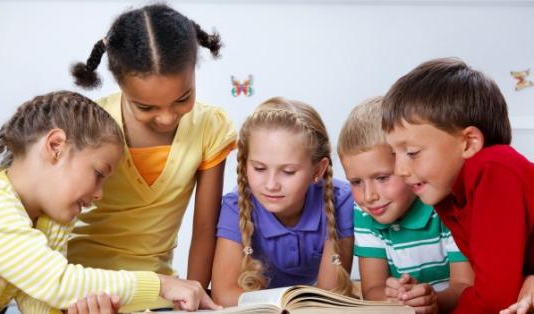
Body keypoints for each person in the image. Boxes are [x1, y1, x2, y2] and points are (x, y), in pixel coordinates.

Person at [0, 91, 218, 313]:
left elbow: (40, 304)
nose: (99, 194)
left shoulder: (50, 221)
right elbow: (58, 283)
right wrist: (162, 285)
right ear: (56, 146)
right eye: (99, 174)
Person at [67, 3, 236, 310]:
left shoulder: (210, 127)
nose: (167, 118)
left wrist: (191, 298)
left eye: (183, 98)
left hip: (158, 291)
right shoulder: (90, 124)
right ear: (120, 84)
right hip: (81, 287)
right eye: (146, 107)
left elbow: (203, 228)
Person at [383, 57, 534, 313]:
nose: (399, 170)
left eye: (412, 152)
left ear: (468, 142)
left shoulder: (494, 168)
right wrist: (435, 304)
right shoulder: (450, 196)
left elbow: (496, 298)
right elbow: (498, 289)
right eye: (394, 154)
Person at [211, 97, 355, 307]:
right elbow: (224, 294)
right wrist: (281, 304)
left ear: (318, 170)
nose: (271, 185)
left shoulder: (340, 200)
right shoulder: (236, 206)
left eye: (288, 172)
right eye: (259, 168)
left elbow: (329, 294)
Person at [337, 96, 473, 314]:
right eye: (356, 182)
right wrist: (393, 297)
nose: (369, 196)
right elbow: (372, 289)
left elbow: (465, 286)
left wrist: (433, 301)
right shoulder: (364, 212)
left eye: (382, 178)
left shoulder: (443, 205)